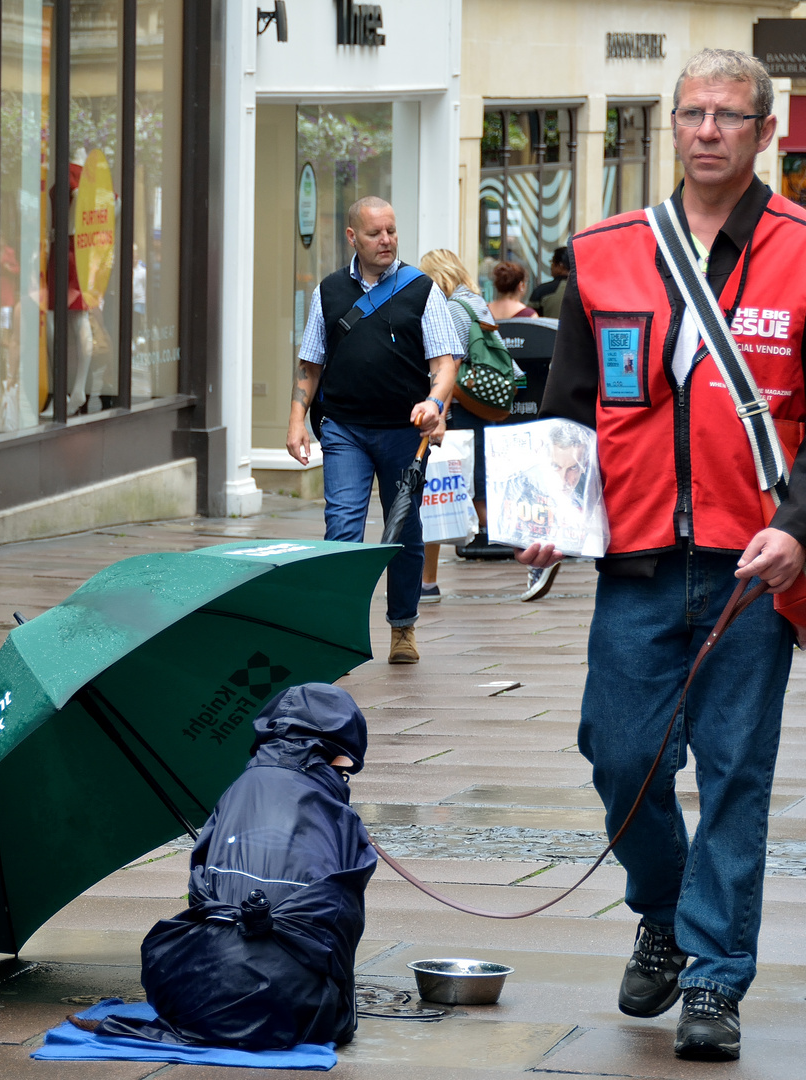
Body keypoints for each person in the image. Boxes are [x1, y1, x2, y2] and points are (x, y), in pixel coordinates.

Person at [517, 49, 806, 1062]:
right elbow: (571, 413)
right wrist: (551, 508)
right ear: (672, 127)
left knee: (734, 775)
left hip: (754, 568)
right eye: (693, 114)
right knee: (618, 756)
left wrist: (798, 528)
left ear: (765, 132)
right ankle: (664, 909)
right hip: (633, 557)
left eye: (729, 115)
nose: (708, 130)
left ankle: (715, 979)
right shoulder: (606, 252)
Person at [70, 684, 375, 1050]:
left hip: (198, 992)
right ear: (341, 750)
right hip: (295, 1006)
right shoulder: (333, 812)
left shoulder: (238, 789)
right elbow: (340, 912)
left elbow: (201, 884)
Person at [287, 196, 463, 664]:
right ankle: (337, 628)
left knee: (403, 529)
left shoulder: (422, 289)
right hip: (344, 429)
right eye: (374, 233)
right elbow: (310, 365)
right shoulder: (327, 291)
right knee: (342, 528)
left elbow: (446, 364)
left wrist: (433, 402)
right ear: (352, 238)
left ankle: (402, 626)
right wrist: (295, 422)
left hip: (405, 433)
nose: (386, 240)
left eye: (391, 230)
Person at [415, 248, 500, 603]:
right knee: (478, 471)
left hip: (460, 405)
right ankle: (490, 533)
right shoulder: (476, 301)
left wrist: (439, 415)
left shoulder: (451, 307)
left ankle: (478, 534)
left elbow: (449, 365)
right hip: (483, 402)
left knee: (448, 482)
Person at [530, 247, 570, 318]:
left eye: (552, 262)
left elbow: (528, 320)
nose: (551, 266)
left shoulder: (542, 291)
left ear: (560, 266)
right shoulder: (585, 291)